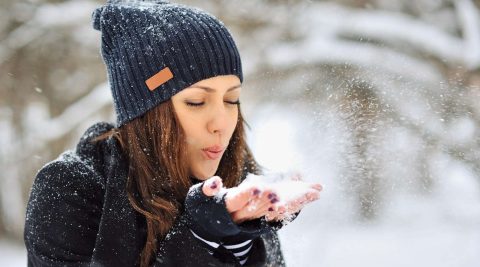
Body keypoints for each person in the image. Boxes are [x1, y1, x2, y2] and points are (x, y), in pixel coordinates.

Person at [23, 0, 322, 266]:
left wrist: (237, 238)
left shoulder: (240, 185)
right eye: (196, 101)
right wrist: (200, 237)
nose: (222, 124)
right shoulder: (69, 190)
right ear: (146, 111)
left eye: (232, 100)